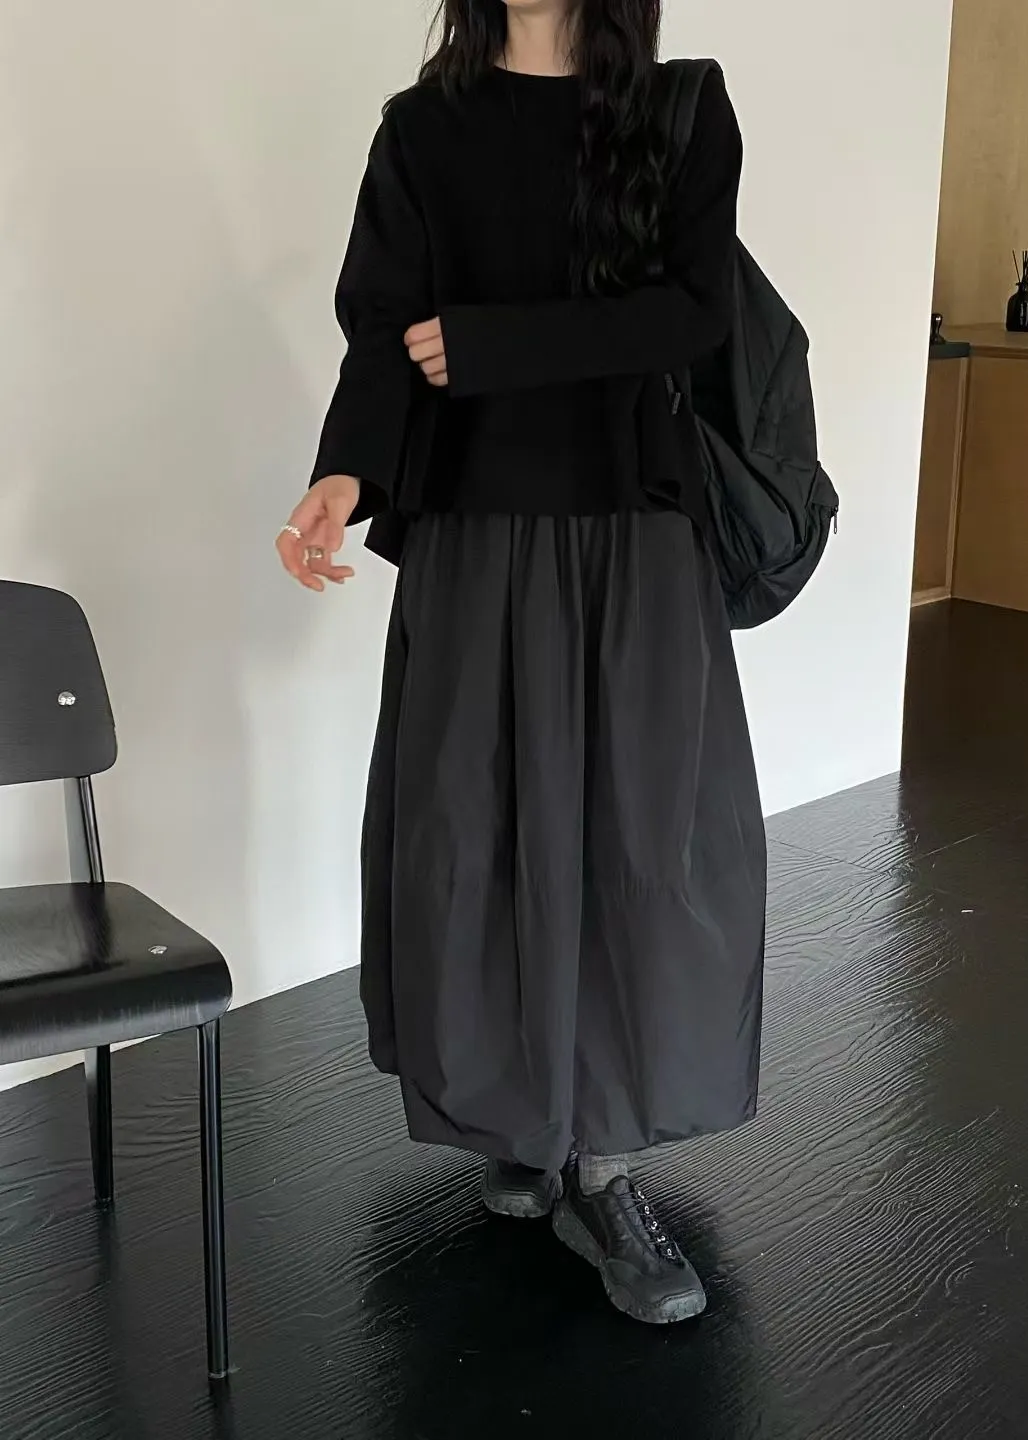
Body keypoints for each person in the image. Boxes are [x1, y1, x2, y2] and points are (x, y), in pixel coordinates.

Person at [276, 0, 764, 1327]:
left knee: (631, 836)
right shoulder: (422, 128)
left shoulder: (680, 108)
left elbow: (694, 313)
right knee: (477, 830)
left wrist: (494, 344)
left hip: (634, 534)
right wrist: (342, 474)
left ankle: (602, 1166)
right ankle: (523, 1113)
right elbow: (384, 327)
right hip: (474, 536)